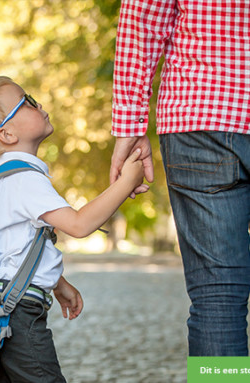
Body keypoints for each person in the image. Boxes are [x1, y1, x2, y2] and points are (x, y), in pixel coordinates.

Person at [0, 75, 146, 382]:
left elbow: (14, 251)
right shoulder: (24, 179)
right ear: (7, 133)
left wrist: (59, 285)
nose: (38, 105)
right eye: (27, 102)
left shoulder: (2, 181)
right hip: (17, 315)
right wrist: (127, 181)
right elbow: (78, 224)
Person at [110, 0, 250, 356]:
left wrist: (130, 123)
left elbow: (142, 18)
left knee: (216, 298)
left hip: (203, 110)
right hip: (202, 119)